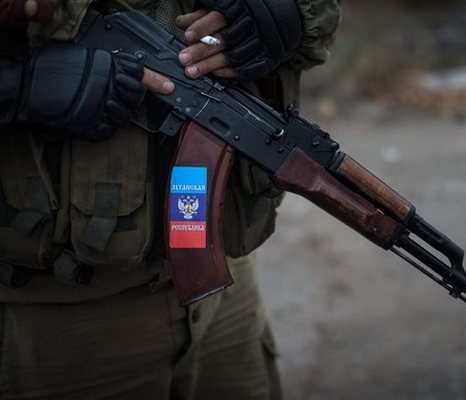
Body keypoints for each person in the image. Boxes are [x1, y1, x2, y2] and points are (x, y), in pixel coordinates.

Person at [0, 0, 340, 398]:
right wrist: (17, 87)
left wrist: (294, 11)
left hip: (223, 289)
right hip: (59, 326)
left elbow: (321, 14)